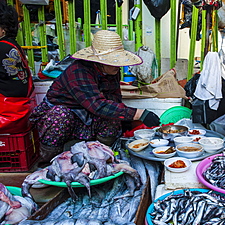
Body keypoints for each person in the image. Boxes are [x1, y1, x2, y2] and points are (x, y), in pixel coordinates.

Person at [30, 30, 160, 164]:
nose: (119, 66)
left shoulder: (112, 71)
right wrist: (139, 114)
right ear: (99, 61)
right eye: (114, 61)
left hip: (87, 117)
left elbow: (114, 101)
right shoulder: (78, 71)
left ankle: (101, 156)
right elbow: (98, 105)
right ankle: (50, 162)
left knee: (113, 118)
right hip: (63, 118)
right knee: (61, 115)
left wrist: (128, 123)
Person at [0, 1, 34, 134]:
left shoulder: (2, 48)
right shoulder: (12, 45)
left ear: (4, 28)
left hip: (7, 117)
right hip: (20, 114)